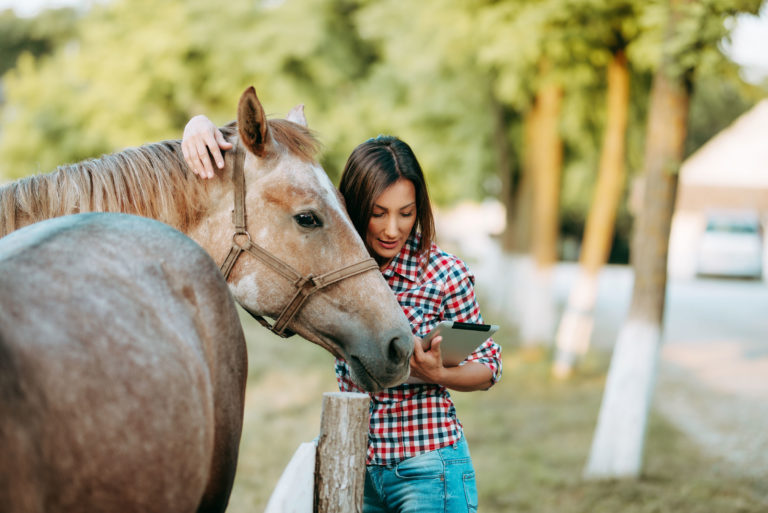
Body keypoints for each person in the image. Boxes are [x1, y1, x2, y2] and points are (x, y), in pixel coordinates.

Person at [182, 115, 502, 513]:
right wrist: (199, 126)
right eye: (378, 212)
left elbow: (488, 366)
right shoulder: (336, 268)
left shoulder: (445, 273)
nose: (392, 229)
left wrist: (440, 373)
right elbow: (278, 152)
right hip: (352, 466)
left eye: (406, 213)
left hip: (428, 465)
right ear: (352, 204)